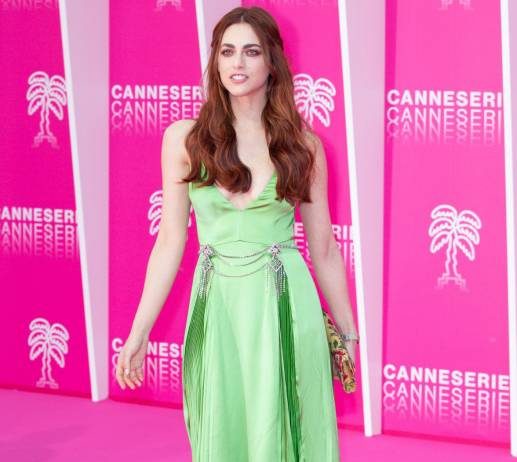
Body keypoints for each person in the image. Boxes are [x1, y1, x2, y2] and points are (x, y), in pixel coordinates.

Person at [115, 6, 359, 461]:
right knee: (223, 428)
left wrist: (347, 333)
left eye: (251, 51)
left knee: (288, 429)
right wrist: (139, 332)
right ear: (215, 61)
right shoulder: (185, 140)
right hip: (219, 306)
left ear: (272, 62)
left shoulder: (303, 147)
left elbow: (324, 248)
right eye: (227, 52)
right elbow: (169, 241)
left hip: (285, 305)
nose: (237, 63)